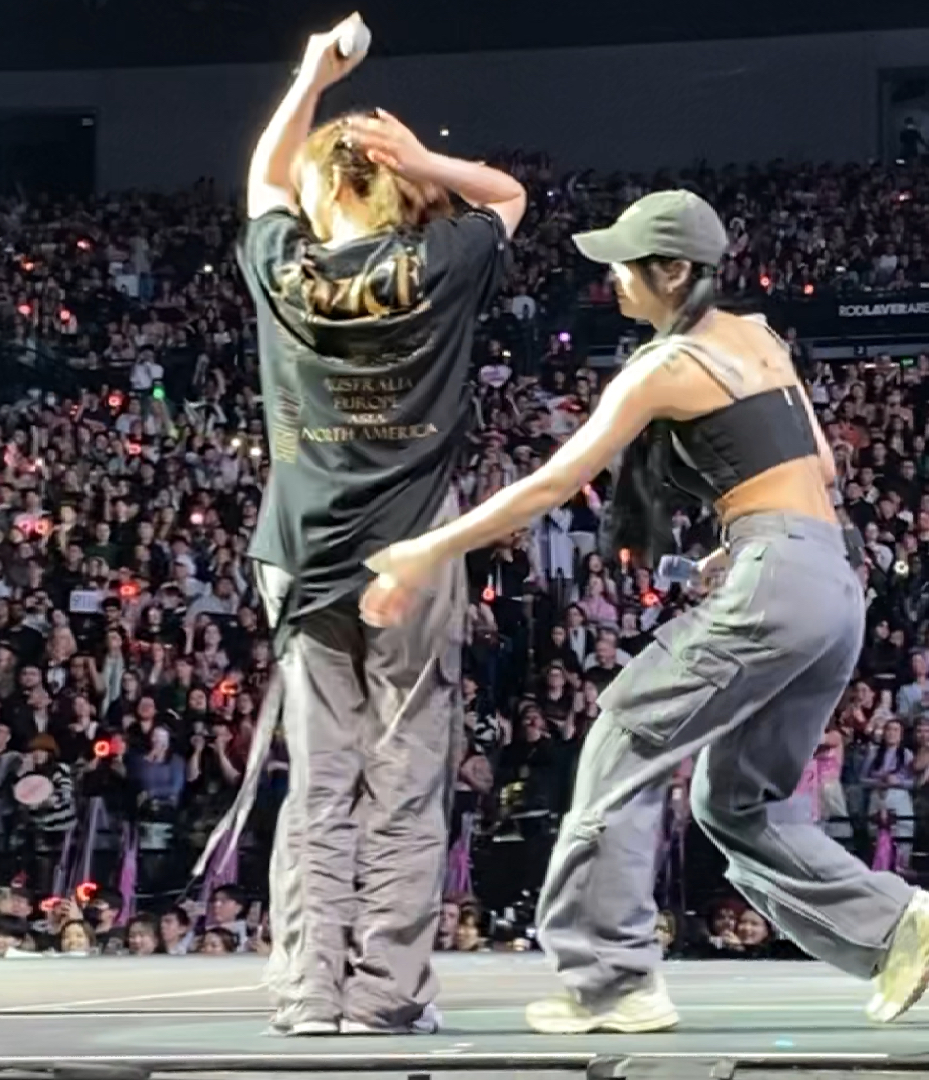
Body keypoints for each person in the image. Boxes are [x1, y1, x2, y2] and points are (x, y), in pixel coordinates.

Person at [362, 189, 929, 1035]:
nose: (610, 279)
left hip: (778, 577)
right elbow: (821, 467)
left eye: (623, 264)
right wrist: (744, 535)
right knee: (733, 803)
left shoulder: (664, 367)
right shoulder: (757, 334)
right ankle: (894, 921)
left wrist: (428, 550)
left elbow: (552, 484)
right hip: (830, 577)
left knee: (623, 741)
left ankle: (611, 982)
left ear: (673, 272)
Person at [203, 13, 526, 1037]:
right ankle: (386, 994)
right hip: (411, 555)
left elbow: (261, 179)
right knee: (406, 776)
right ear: (391, 184)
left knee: (319, 780)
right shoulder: (443, 262)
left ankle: (309, 995)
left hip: (302, 555)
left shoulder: (283, 269)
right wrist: (425, 159)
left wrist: (310, 73)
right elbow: (508, 195)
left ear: (321, 189)